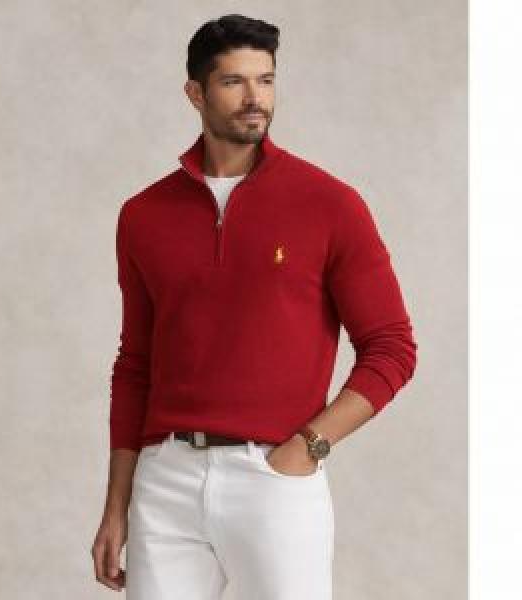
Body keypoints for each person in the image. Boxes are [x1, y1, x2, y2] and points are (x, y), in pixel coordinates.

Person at [91, 13, 417, 600]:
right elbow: (135, 364)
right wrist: (117, 504)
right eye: (233, 81)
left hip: (273, 477)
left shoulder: (330, 204)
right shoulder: (143, 216)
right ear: (195, 93)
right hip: (164, 481)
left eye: (265, 80)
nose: (254, 98)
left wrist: (308, 447)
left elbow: (392, 349)